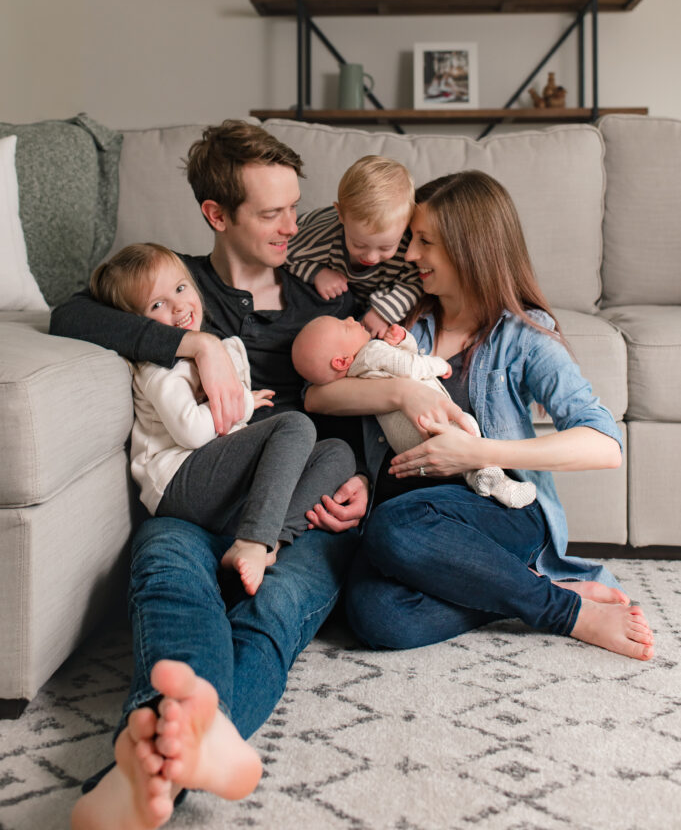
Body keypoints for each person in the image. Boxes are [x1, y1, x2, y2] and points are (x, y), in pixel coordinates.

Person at [51, 120, 370, 829]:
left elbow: (363, 393)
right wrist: (193, 342)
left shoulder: (327, 297)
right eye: (270, 213)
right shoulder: (176, 286)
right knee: (167, 576)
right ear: (216, 215)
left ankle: (146, 766)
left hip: (294, 508)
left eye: (295, 205)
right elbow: (70, 313)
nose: (293, 226)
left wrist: (364, 481)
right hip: (197, 492)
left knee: (274, 611)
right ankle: (157, 760)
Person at [304, 171, 656, 663]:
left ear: (469, 249)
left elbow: (604, 445)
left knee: (395, 525)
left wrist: (476, 452)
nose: (409, 256)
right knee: (374, 615)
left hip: (501, 508)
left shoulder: (524, 336)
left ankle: (565, 612)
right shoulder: (401, 322)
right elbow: (319, 397)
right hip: (413, 514)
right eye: (412, 240)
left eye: (425, 242)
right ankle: (530, 587)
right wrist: (401, 398)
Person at [90, 242, 356, 595]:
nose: (179, 306)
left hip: (222, 487)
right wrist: (245, 405)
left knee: (338, 453)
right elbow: (194, 432)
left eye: (181, 289)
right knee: (294, 425)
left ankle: (271, 541)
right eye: (157, 305)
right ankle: (254, 538)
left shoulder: (221, 348)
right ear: (138, 324)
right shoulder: (160, 368)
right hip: (180, 482)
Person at [292, 314, 536, 508]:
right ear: (341, 361)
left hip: (405, 441)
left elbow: (396, 360)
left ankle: (481, 479)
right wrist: (438, 364)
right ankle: (503, 486)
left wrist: (403, 341)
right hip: (423, 422)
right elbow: (408, 366)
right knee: (468, 428)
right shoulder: (370, 352)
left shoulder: (357, 373)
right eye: (345, 327)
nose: (350, 319)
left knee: (463, 458)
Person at [284, 154, 423, 338]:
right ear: (341, 215)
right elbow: (285, 252)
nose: (371, 257)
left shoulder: (406, 245)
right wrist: (317, 272)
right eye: (359, 244)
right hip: (319, 263)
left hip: (368, 296)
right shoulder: (325, 236)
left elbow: (415, 282)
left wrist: (383, 312)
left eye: (385, 248)